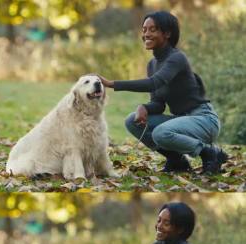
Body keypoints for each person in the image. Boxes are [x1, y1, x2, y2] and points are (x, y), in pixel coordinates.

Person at [98, 11, 228, 174]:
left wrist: (111, 84)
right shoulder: (152, 64)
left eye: (152, 30)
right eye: (144, 29)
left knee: (161, 133)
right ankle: (177, 161)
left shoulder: (177, 58)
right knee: (132, 121)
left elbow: (154, 83)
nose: (146, 34)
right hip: (181, 120)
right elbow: (158, 104)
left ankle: (210, 153)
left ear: (167, 33)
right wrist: (144, 107)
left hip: (204, 120)